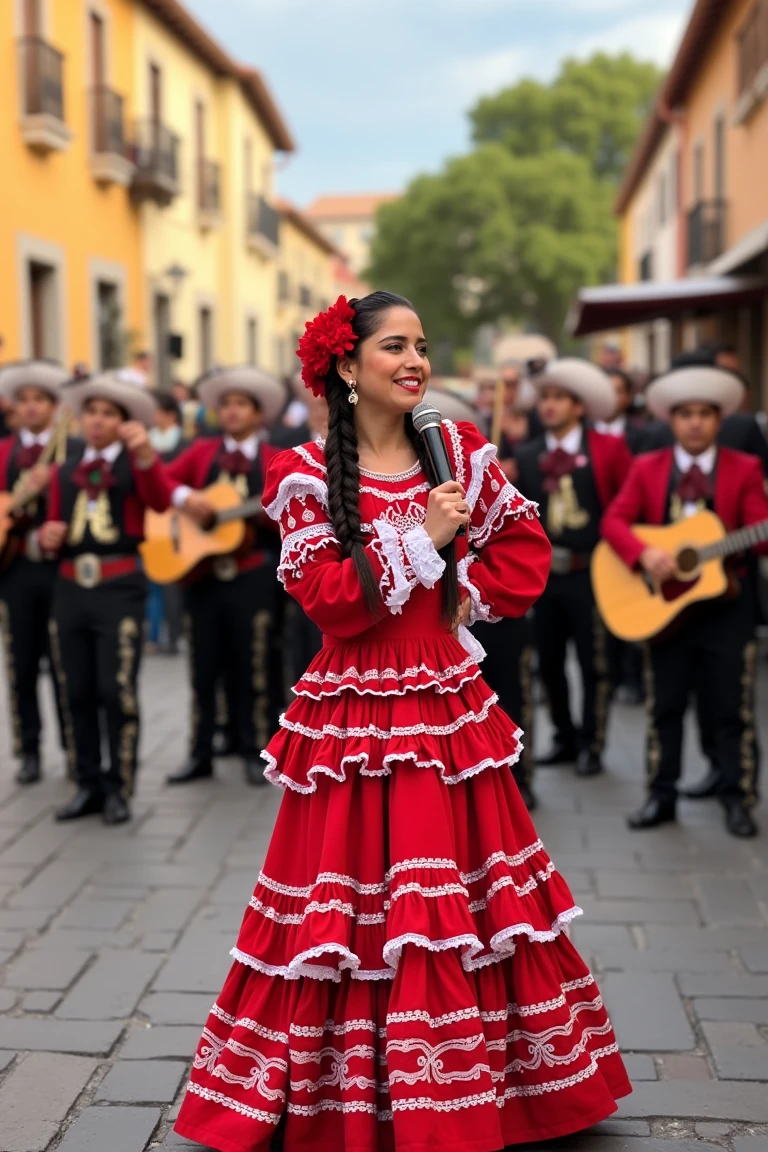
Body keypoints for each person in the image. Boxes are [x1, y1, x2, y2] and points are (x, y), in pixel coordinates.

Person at [173, 292, 630, 1152]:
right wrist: (421, 538)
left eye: (421, 345)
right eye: (394, 346)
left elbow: (524, 547)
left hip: (446, 704)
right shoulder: (301, 473)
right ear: (347, 368)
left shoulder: (456, 449)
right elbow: (332, 604)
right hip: (351, 713)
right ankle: (350, 1096)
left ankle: (475, 1092)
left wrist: (467, 596)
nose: (415, 360)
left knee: (454, 899)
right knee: (349, 907)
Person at [601, 367, 767, 839]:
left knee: (732, 708)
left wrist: (750, 537)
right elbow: (614, 522)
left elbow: (758, 534)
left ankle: (737, 798)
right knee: (665, 705)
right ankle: (661, 794)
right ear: (672, 421)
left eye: (705, 415)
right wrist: (644, 554)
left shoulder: (745, 469)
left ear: (719, 421)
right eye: (686, 415)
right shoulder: (648, 467)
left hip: (725, 608)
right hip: (666, 610)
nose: (695, 423)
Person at [39, 372, 171, 825]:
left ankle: (120, 787)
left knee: (116, 692)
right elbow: (52, 527)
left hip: (119, 589)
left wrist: (147, 456)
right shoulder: (64, 469)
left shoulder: (136, 463)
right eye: (91, 412)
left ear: (124, 422)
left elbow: (160, 502)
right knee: (73, 690)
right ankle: (87, 783)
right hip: (70, 588)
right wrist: (47, 535)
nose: (96, 421)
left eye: (107, 413)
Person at [164, 367, 287, 787]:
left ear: (259, 414)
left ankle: (258, 751)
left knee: (254, 665)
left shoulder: (276, 460)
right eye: (227, 405)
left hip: (252, 577)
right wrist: (187, 498)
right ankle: (200, 752)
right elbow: (161, 480)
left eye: (241, 405)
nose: (232, 412)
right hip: (201, 576)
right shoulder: (200, 452)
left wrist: (268, 514)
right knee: (201, 668)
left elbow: (289, 517)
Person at [514, 360, 632, 777]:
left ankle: (591, 744)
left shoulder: (609, 450)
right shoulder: (528, 455)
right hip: (544, 577)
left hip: (593, 575)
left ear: (579, 406)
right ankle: (563, 736)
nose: (549, 405)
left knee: (594, 662)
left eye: (559, 398)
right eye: (544, 397)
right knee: (547, 662)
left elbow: (626, 507)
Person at [0, 360, 79, 784]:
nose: (30, 408)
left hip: (60, 570)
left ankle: (72, 747)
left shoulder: (74, 450)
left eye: (39, 400)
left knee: (65, 662)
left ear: (53, 406)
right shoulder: (3, 451)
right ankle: (28, 749)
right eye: (24, 400)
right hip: (15, 571)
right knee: (21, 662)